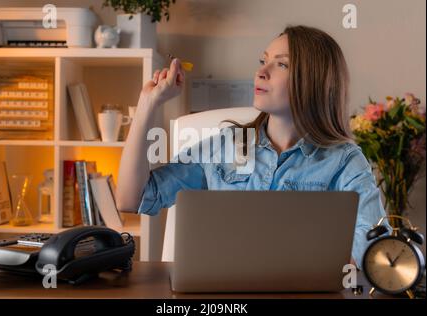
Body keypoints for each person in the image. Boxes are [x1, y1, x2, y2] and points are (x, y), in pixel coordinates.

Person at [116, 25, 388, 268]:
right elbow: (132, 198)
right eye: (263, 61)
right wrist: (147, 104)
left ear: (313, 81)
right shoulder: (223, 146)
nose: (261, 72)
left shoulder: (343, 160)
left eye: (281, 65)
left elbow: (375, 243)